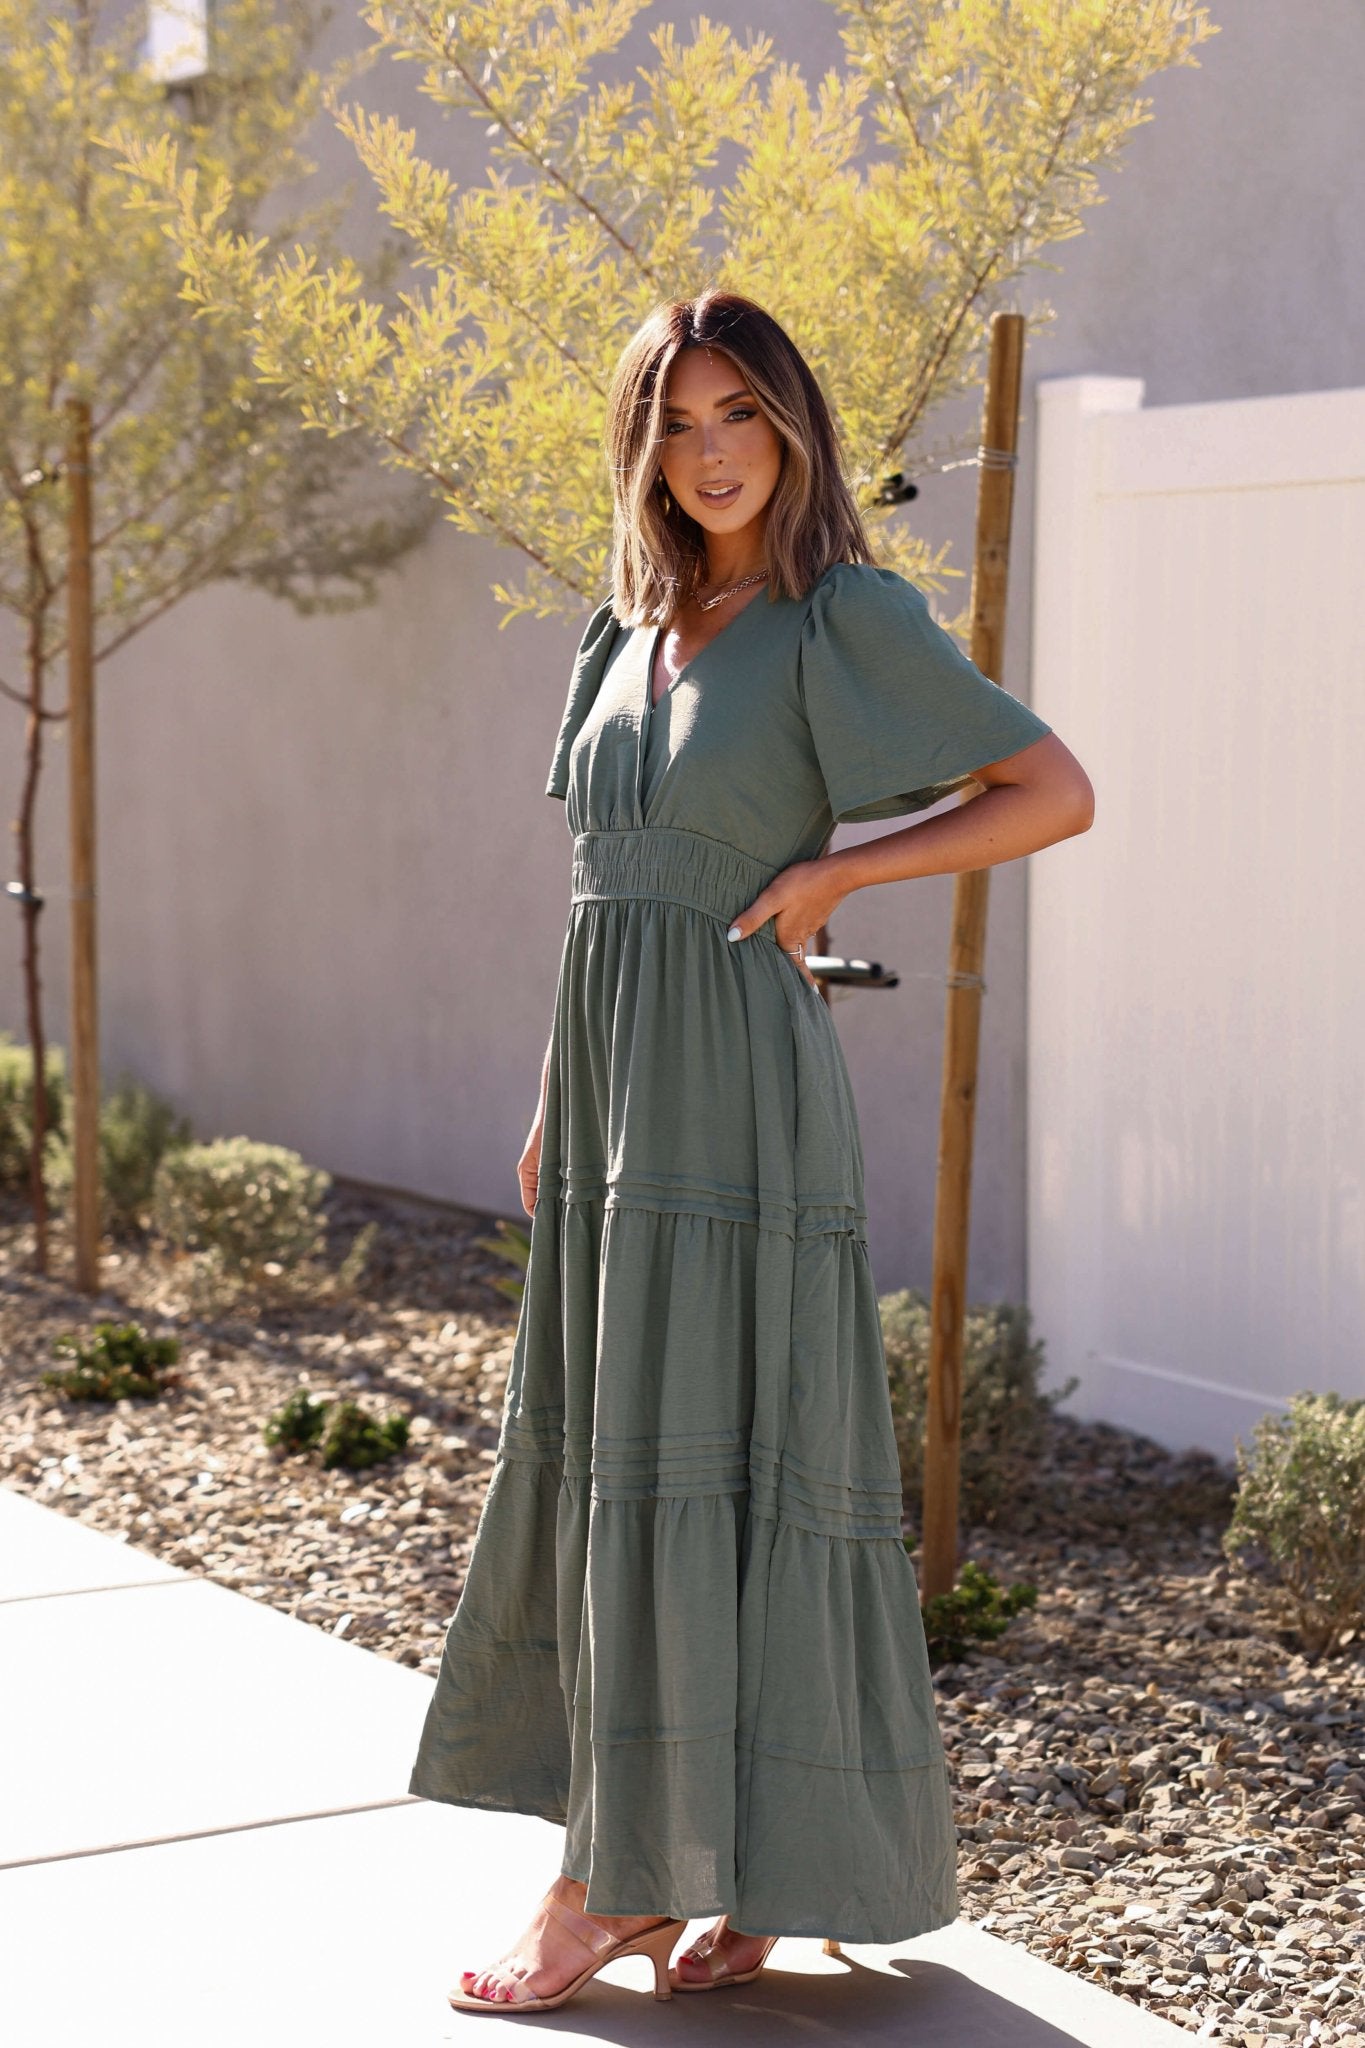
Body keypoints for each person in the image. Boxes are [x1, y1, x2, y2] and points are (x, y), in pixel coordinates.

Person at [412, 289, 1094, 2014]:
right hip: (616, 1094)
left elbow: (1052, 787)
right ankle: (717, 1872)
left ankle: (599, 1886)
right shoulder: (619, 632)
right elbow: (599, 900)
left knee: (726, 1456)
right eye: (677, 423)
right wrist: (561, 1102)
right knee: (618, 1462)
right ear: (641, 448)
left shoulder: (833, 616)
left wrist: (838, 877)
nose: (711, 453)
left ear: (791, 428)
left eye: (740, 415)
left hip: (737, 1088)